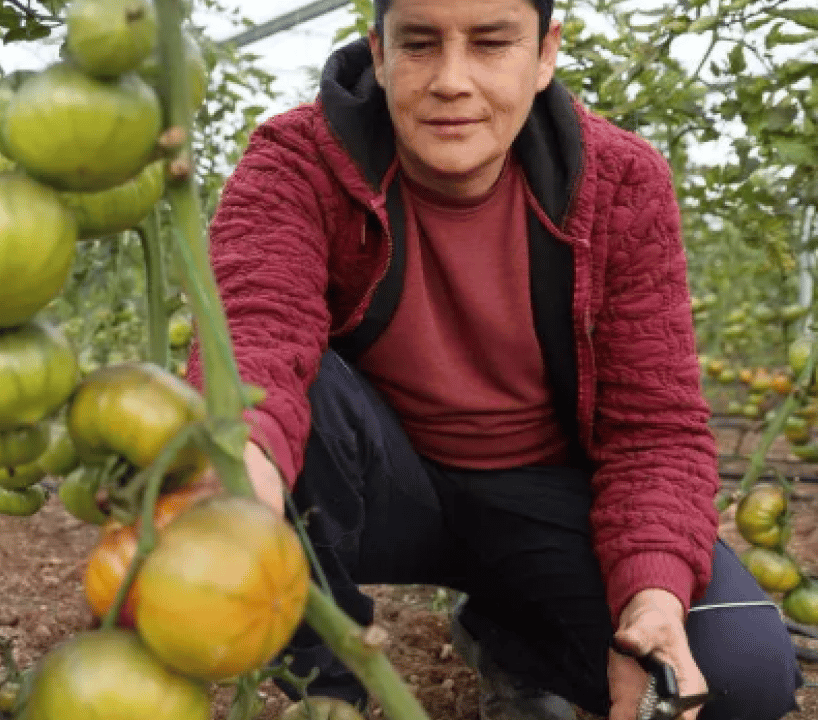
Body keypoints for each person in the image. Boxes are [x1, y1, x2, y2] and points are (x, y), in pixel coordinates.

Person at [185, 0, 805, 719]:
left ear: (545, 55)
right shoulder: (301, 161)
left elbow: (654, 429)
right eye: (419, 44)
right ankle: (328, 688)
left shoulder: (621, 184)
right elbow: (258, 334)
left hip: (543, 497)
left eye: (490, 43)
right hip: (385, 488)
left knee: (739, 677)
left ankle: (511, 633)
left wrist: (654, 598)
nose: (452, 80)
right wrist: (239, 488)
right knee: (275, 401)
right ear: (379, 56)